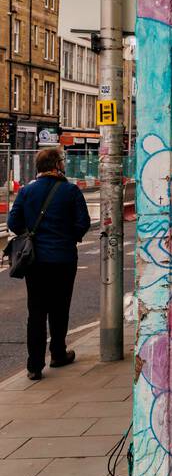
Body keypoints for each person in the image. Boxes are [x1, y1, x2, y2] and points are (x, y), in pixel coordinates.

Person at [8, 145, 91, 381]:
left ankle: (34, 366)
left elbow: (14, 222)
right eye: (62, 161)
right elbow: (82, 223)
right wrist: (68, 237)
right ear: (57, 165)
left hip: (35, 261)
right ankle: (57, 353)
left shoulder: (26, 191)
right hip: (63, 258)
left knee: (36, 312)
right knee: (59, 308)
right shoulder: (71, 191)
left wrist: (31, 234)